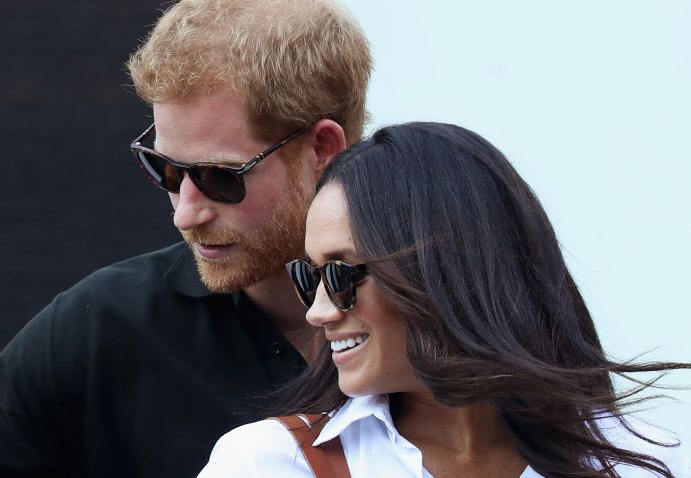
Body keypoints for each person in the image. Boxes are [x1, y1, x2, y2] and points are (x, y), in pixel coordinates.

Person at [0, 0, 371, 477]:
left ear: (322, 148)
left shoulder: (435, 308)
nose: (185, 212)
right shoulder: (108, 322)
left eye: (220, 177)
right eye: (164, 170)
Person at [198, 122, 691, 478]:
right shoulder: (269, 464)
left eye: (343, 273)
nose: (319, 310)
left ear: (446, 271)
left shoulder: (641, 460)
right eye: (312, 276)